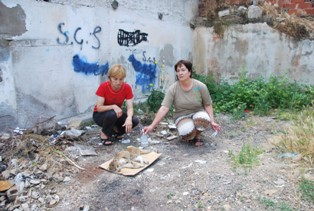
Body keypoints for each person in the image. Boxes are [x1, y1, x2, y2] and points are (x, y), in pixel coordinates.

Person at [143, 60, 221, 147]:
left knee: (204, 118)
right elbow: (164, 108)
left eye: (183, 70)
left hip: (197, 112)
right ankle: (189, 133)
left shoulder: (200, 86)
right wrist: (152, 126)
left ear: (189, 72)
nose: (180, 73)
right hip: (181, 116)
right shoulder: (173, 88)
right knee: (186, 132)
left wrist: (212, 121)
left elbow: (207, 104)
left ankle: (197, 136)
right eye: (178, 71)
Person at [93, 64, 139, 145]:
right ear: (110, 78)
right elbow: (99, 108)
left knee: (134, 120)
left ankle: (117, 132)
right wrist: (113, 106)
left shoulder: (127, 88)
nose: (118, 82)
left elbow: (130, 108)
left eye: (121, 79)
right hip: (100, 115)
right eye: (115, 79)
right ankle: (104, 134)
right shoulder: (103, 87)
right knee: (112, 113)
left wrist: (128, 118)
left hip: (116, 114)